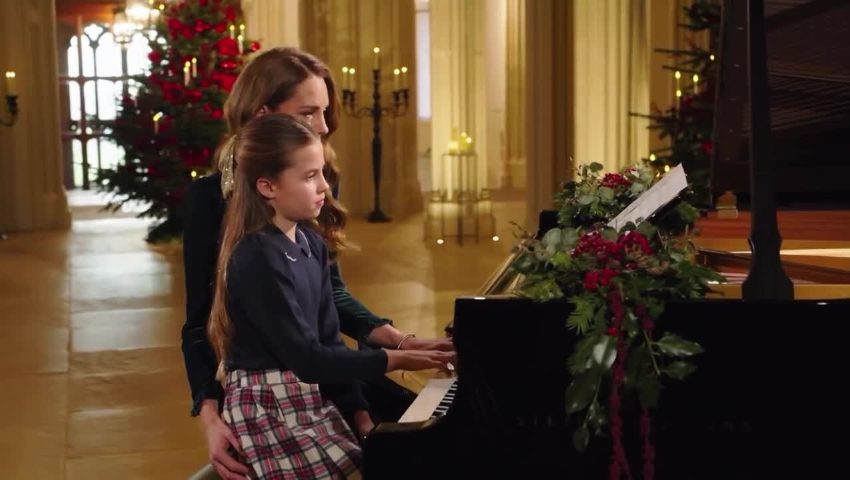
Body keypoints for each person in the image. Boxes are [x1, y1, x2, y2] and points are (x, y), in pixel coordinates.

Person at [181, 47, 453, 479]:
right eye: (308, 112)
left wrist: (400, 342)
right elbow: (200, 324)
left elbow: (328, 296)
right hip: (266, 385)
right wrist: (210, 415)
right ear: (263, 115)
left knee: (421, 440)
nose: (324, 126)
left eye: (325, 111)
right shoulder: (212, 203)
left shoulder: (314, 187)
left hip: (323, 373)